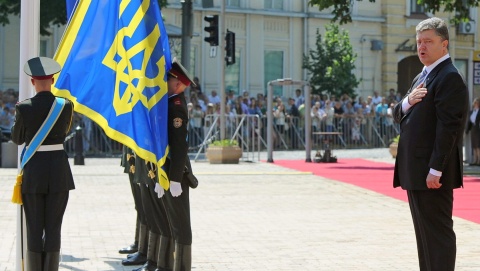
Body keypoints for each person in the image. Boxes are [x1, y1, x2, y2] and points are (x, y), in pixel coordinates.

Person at [392, 17, 468, 271]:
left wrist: (437, 168)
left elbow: (449, 128)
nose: (421, 47)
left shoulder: (449, 77)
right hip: (416, 170)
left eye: (428, 41)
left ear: (444, 44)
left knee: (437, 234)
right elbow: (398, 113)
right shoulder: (421, 76)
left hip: (431, 173)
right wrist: (407, 102)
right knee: (424, 236)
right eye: (419, 42)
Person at [11, 57, 75, 271]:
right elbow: (64, 132)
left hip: (34, 172)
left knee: (34, 226)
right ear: (53, 80)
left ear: (32, 82)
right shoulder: (65, 106)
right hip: (59, 171)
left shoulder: (24, 108)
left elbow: (17, 139)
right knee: (54, 227)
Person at [156, 59, 196, 271]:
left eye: (168, 79)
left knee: (180, 225)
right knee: (170, 221)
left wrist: (174, 178)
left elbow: (179, 146)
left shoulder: (176, 107)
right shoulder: (168, 103)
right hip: (167, 171)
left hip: (176, 173)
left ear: (178, 84)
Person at [466, 98, 480, 165]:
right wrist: (467, 131)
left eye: (477, 103)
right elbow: (469, 122)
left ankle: (479, 161)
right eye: (475, 103)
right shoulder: (472, 112)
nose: (475, 104)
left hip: (478, 130)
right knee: (474, 146)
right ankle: (475, 161)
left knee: (478, 146)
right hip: (473, 130)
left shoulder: (479, 111)